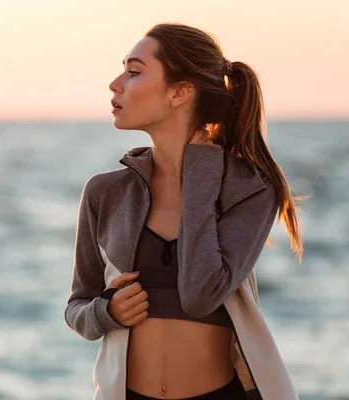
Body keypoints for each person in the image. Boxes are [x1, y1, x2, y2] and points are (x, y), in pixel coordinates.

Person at [64, 23, 306, 400]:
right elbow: (77, 307)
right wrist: (107, 312)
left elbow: (200, 294)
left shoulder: (250, 189)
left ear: (180, 92)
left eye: (133, 71)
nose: (115, 83)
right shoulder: (105, 192)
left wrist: (201, 168)